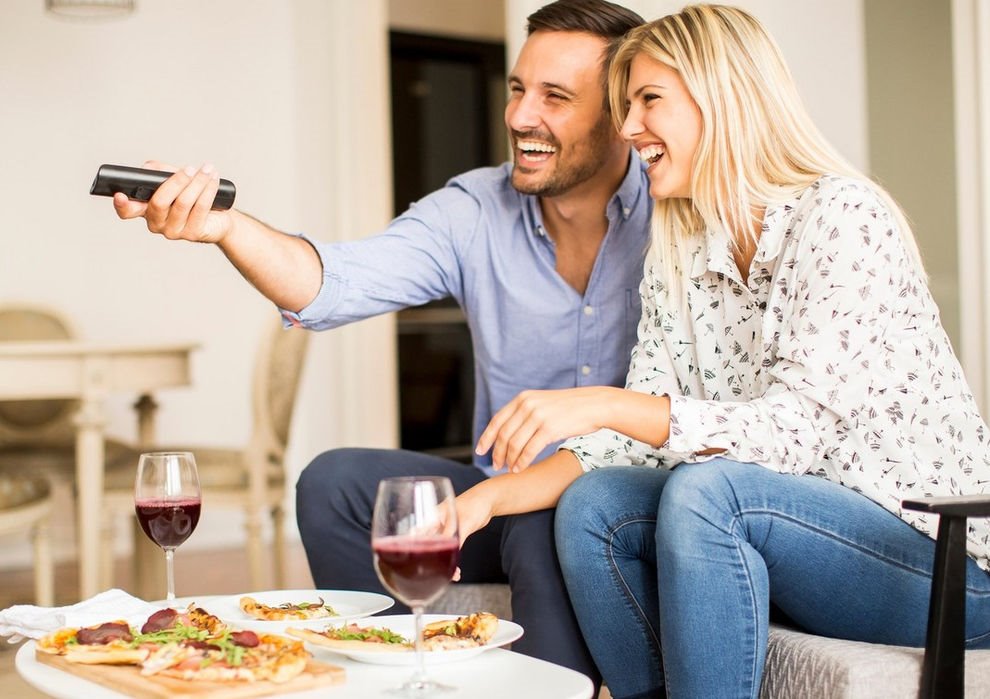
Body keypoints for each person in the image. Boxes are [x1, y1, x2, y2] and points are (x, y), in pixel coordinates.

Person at [455, 4, 990, 698]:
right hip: (796, 540)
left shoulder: (842, 216)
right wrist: (487, 499)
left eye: (649, 100)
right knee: (595, 506)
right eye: (625, 106)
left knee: (710, 492)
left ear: (725, 98)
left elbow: (793, 435)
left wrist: (601, 401)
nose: (628, 127)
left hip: (944, 565)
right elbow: (630, 443)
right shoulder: (681, 248)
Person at [110, 0, 649, 681]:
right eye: (517, 88)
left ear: (622, 116)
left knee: (550, 520)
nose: (519, 116)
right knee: (333, 484)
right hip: (495, 506)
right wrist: (225, 227)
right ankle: (387, 679)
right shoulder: (474, 210)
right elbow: (333, 282)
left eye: (555, 97)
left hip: (616, 513)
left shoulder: (676, 213)